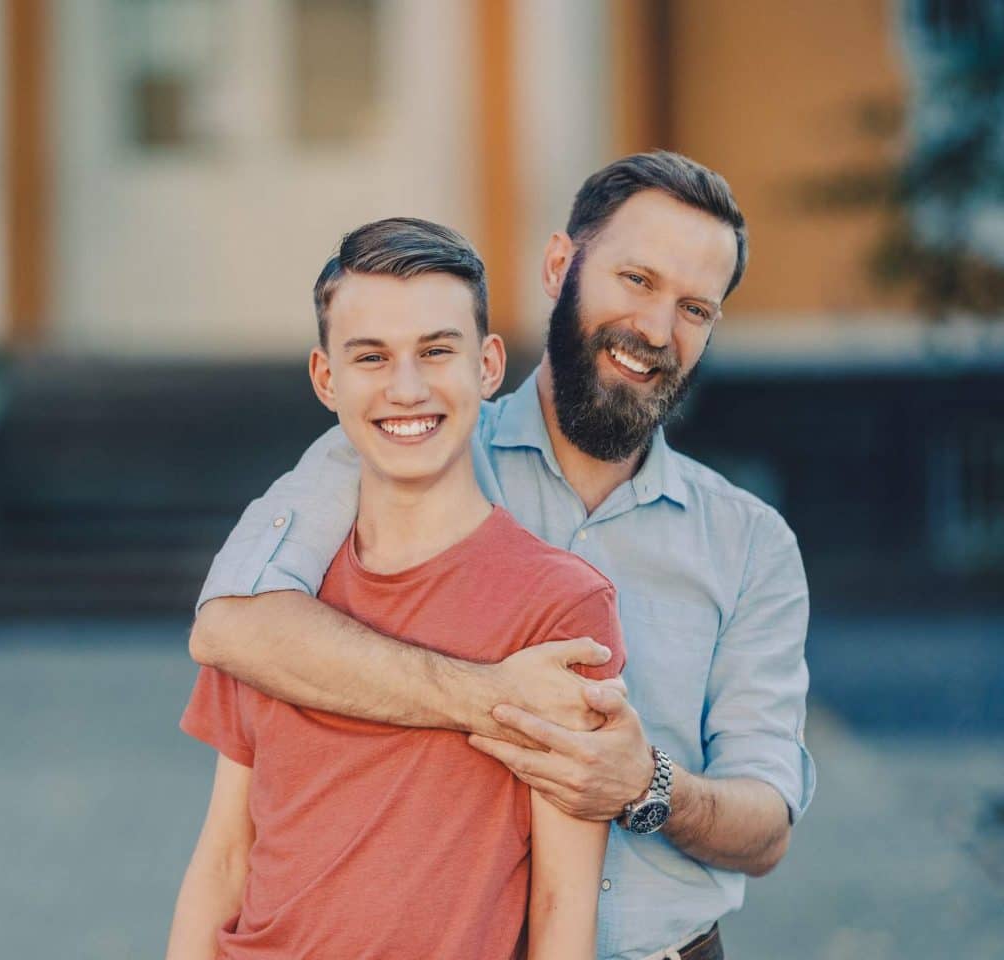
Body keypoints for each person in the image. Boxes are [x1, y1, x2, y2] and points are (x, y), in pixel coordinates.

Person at [188, 152, 814, 960]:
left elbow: (764, 826)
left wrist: (644, 783)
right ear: (560, 265)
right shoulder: (412, 439)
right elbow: (233, 627)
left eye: (693, 307)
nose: (656, 330)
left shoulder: (749, 542)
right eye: (635, 280)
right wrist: (492, 699)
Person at [166, 218, 626, 960]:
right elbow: (223, 856)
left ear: (486, 365)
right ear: (326, 379)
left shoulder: (559, 604)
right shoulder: (273, 599)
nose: (405, 389)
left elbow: (561, 899)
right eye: (370, 357)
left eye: (436, 352)